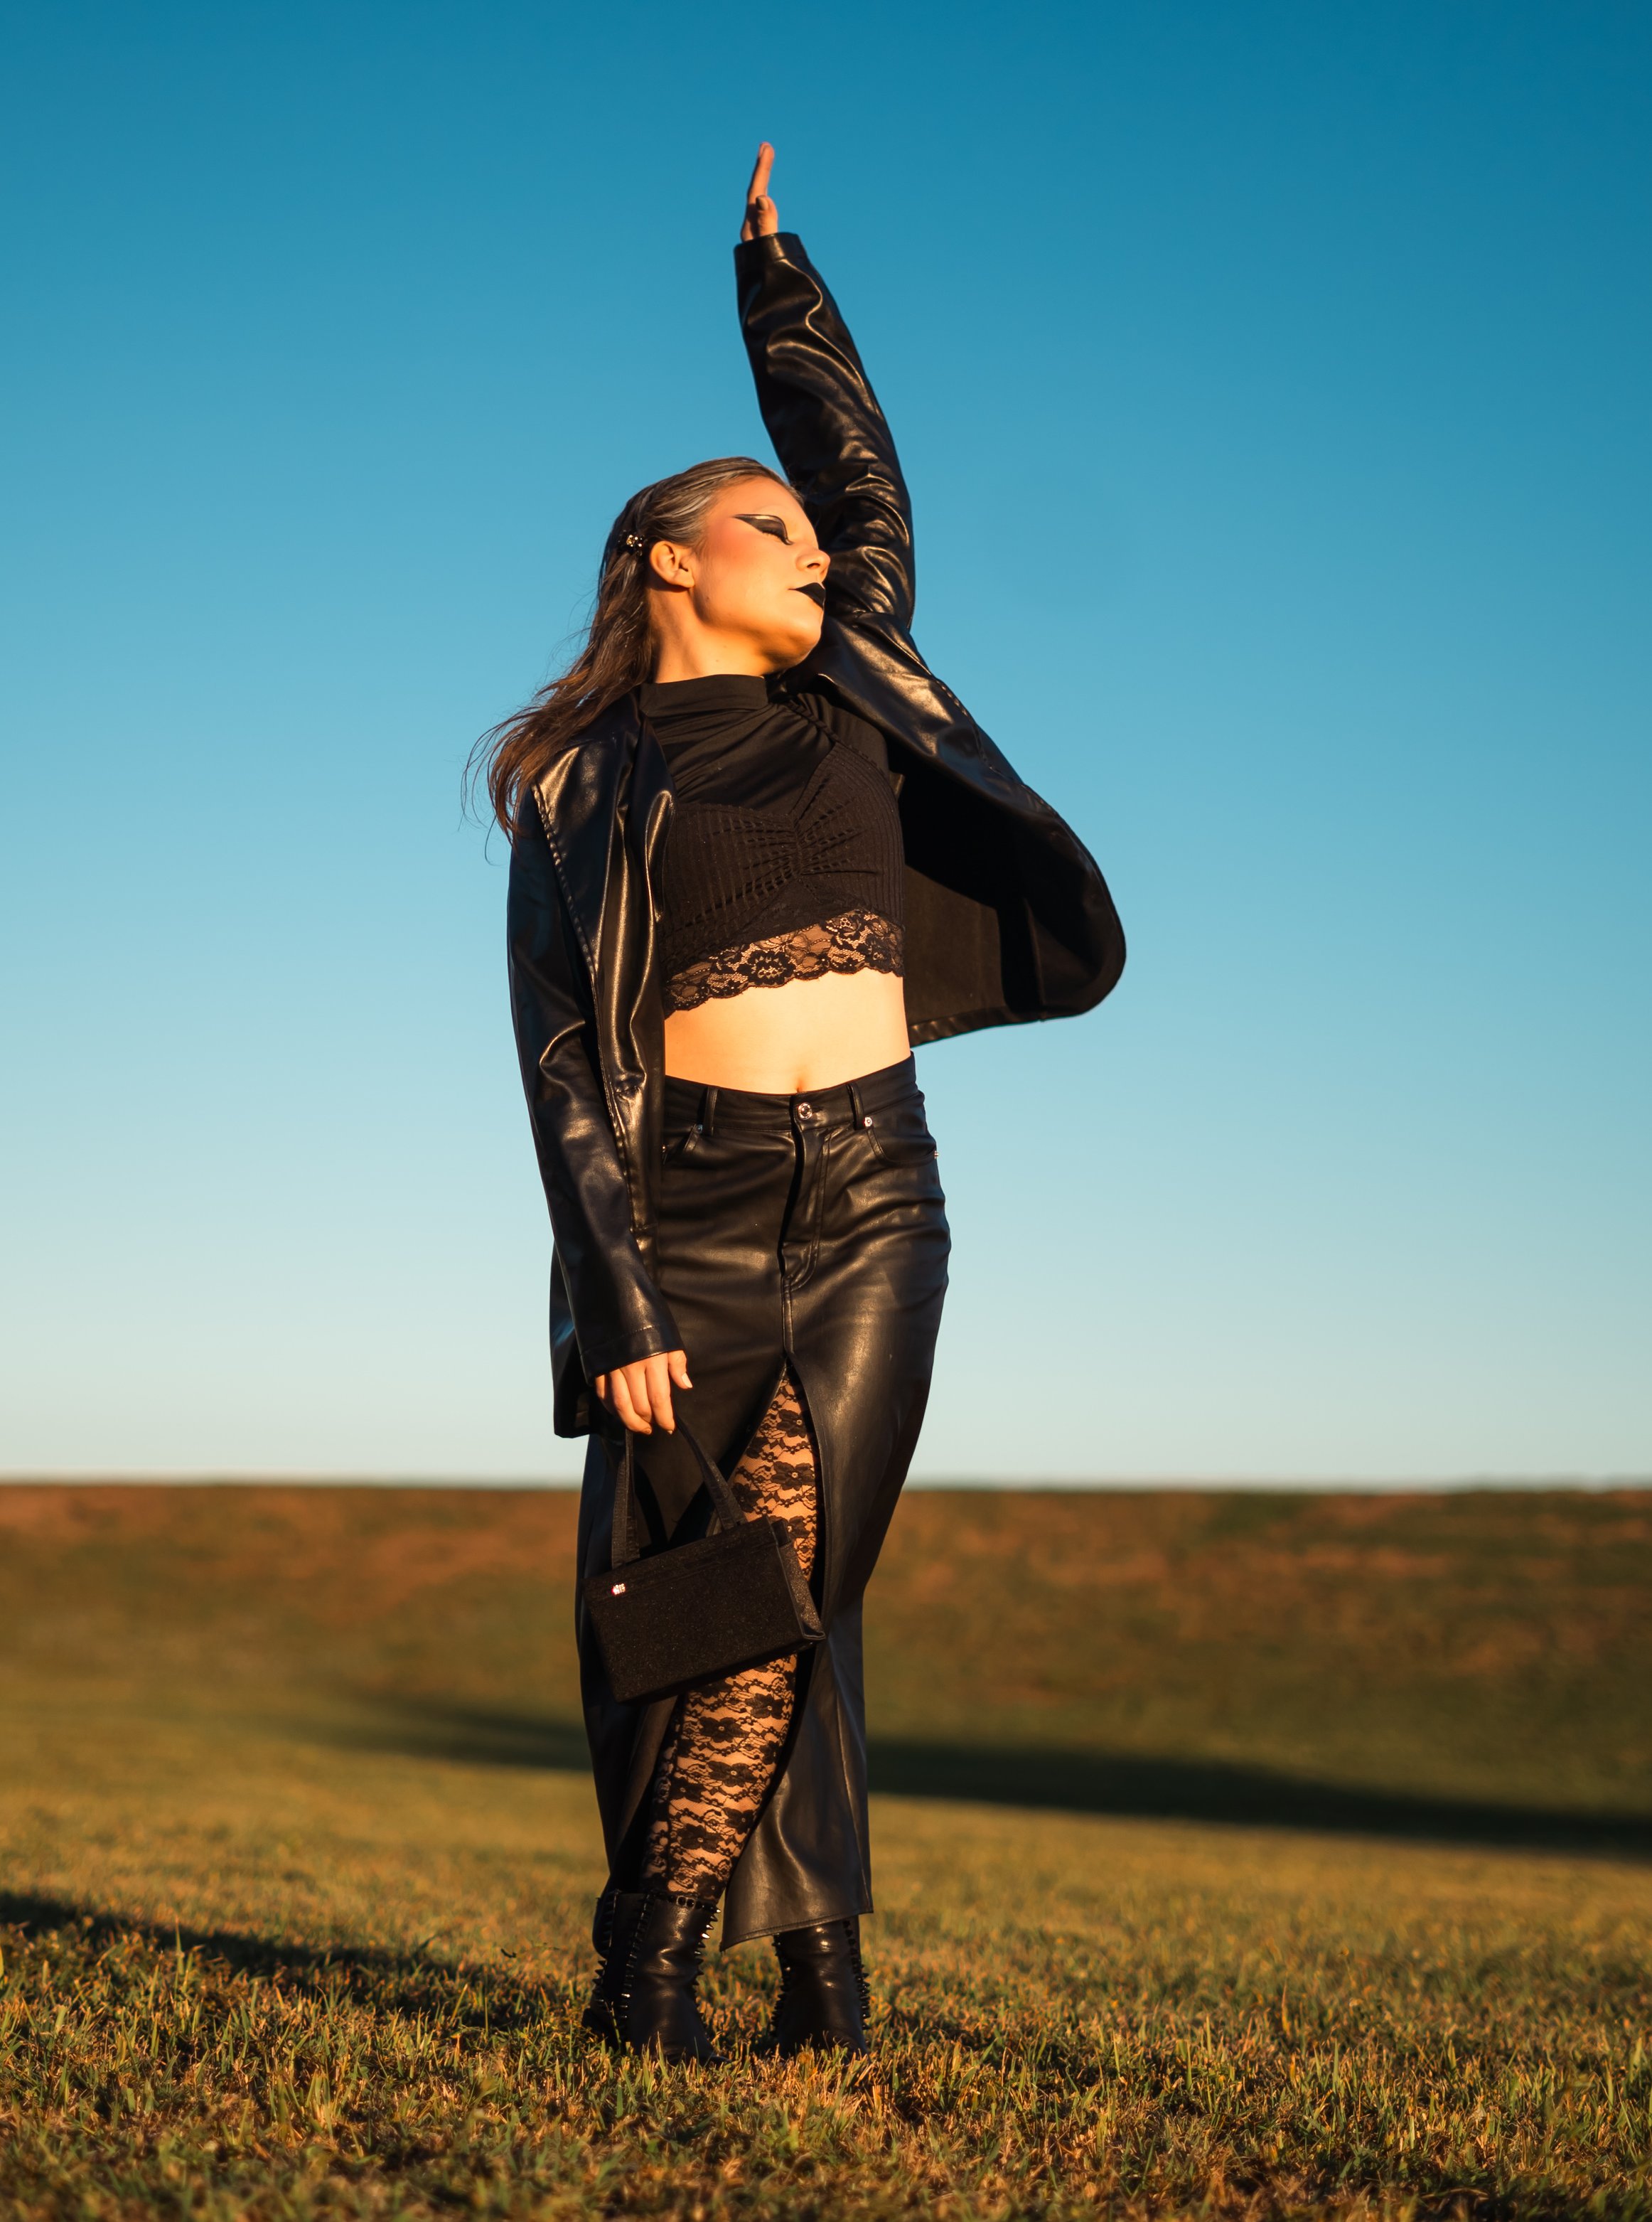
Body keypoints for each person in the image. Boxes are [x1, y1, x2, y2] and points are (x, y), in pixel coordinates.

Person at [485, 146, 1124, 2063]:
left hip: (869, 1190)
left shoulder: (850, 693)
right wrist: (614, 1295)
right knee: (693, 1592)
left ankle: (644, 1965)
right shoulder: (579, 782)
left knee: (792, 1557)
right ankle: (821, 1981)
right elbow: (555, 1050)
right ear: (667, 556)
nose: (815, 549)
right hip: (669, 1203)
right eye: (763, 527)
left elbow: (863, 480)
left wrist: (778, 282)